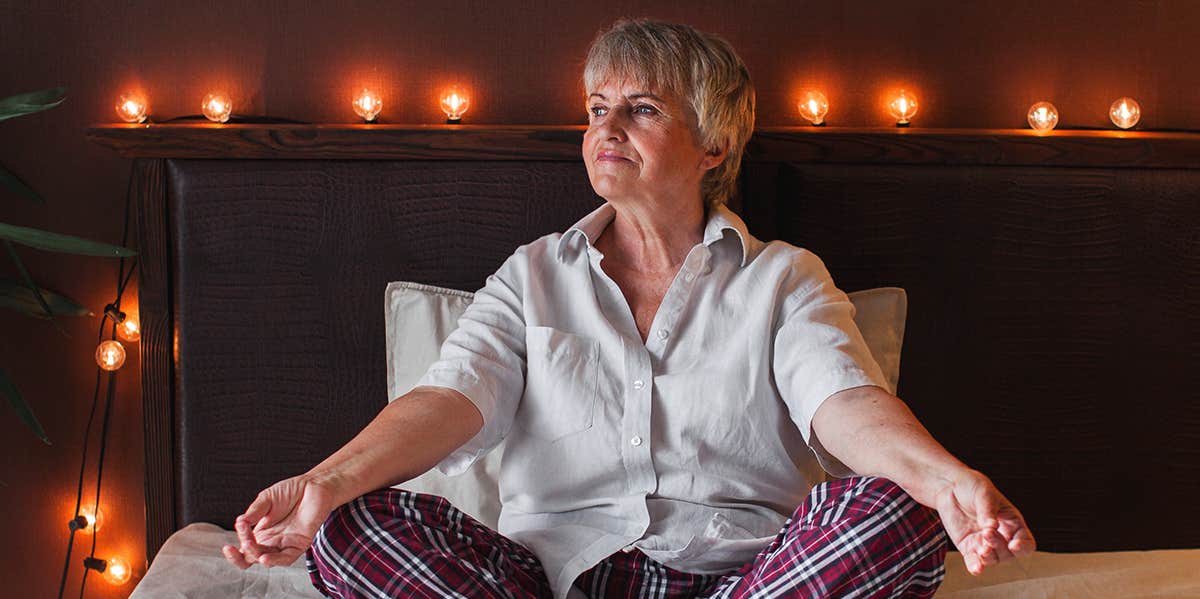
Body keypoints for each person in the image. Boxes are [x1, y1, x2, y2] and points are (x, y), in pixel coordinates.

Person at [222, 19, 1035, 599]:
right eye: (597, 107)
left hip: (743, 579)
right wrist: (324, 483)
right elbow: (449, 399)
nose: (606, 127)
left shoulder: (784, 278)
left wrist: (945, 479)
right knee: (349, 525)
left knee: (895, 510)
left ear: (713, 144)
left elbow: (845, 403)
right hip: (543, 580)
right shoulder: (534, 272)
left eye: (640, 108)